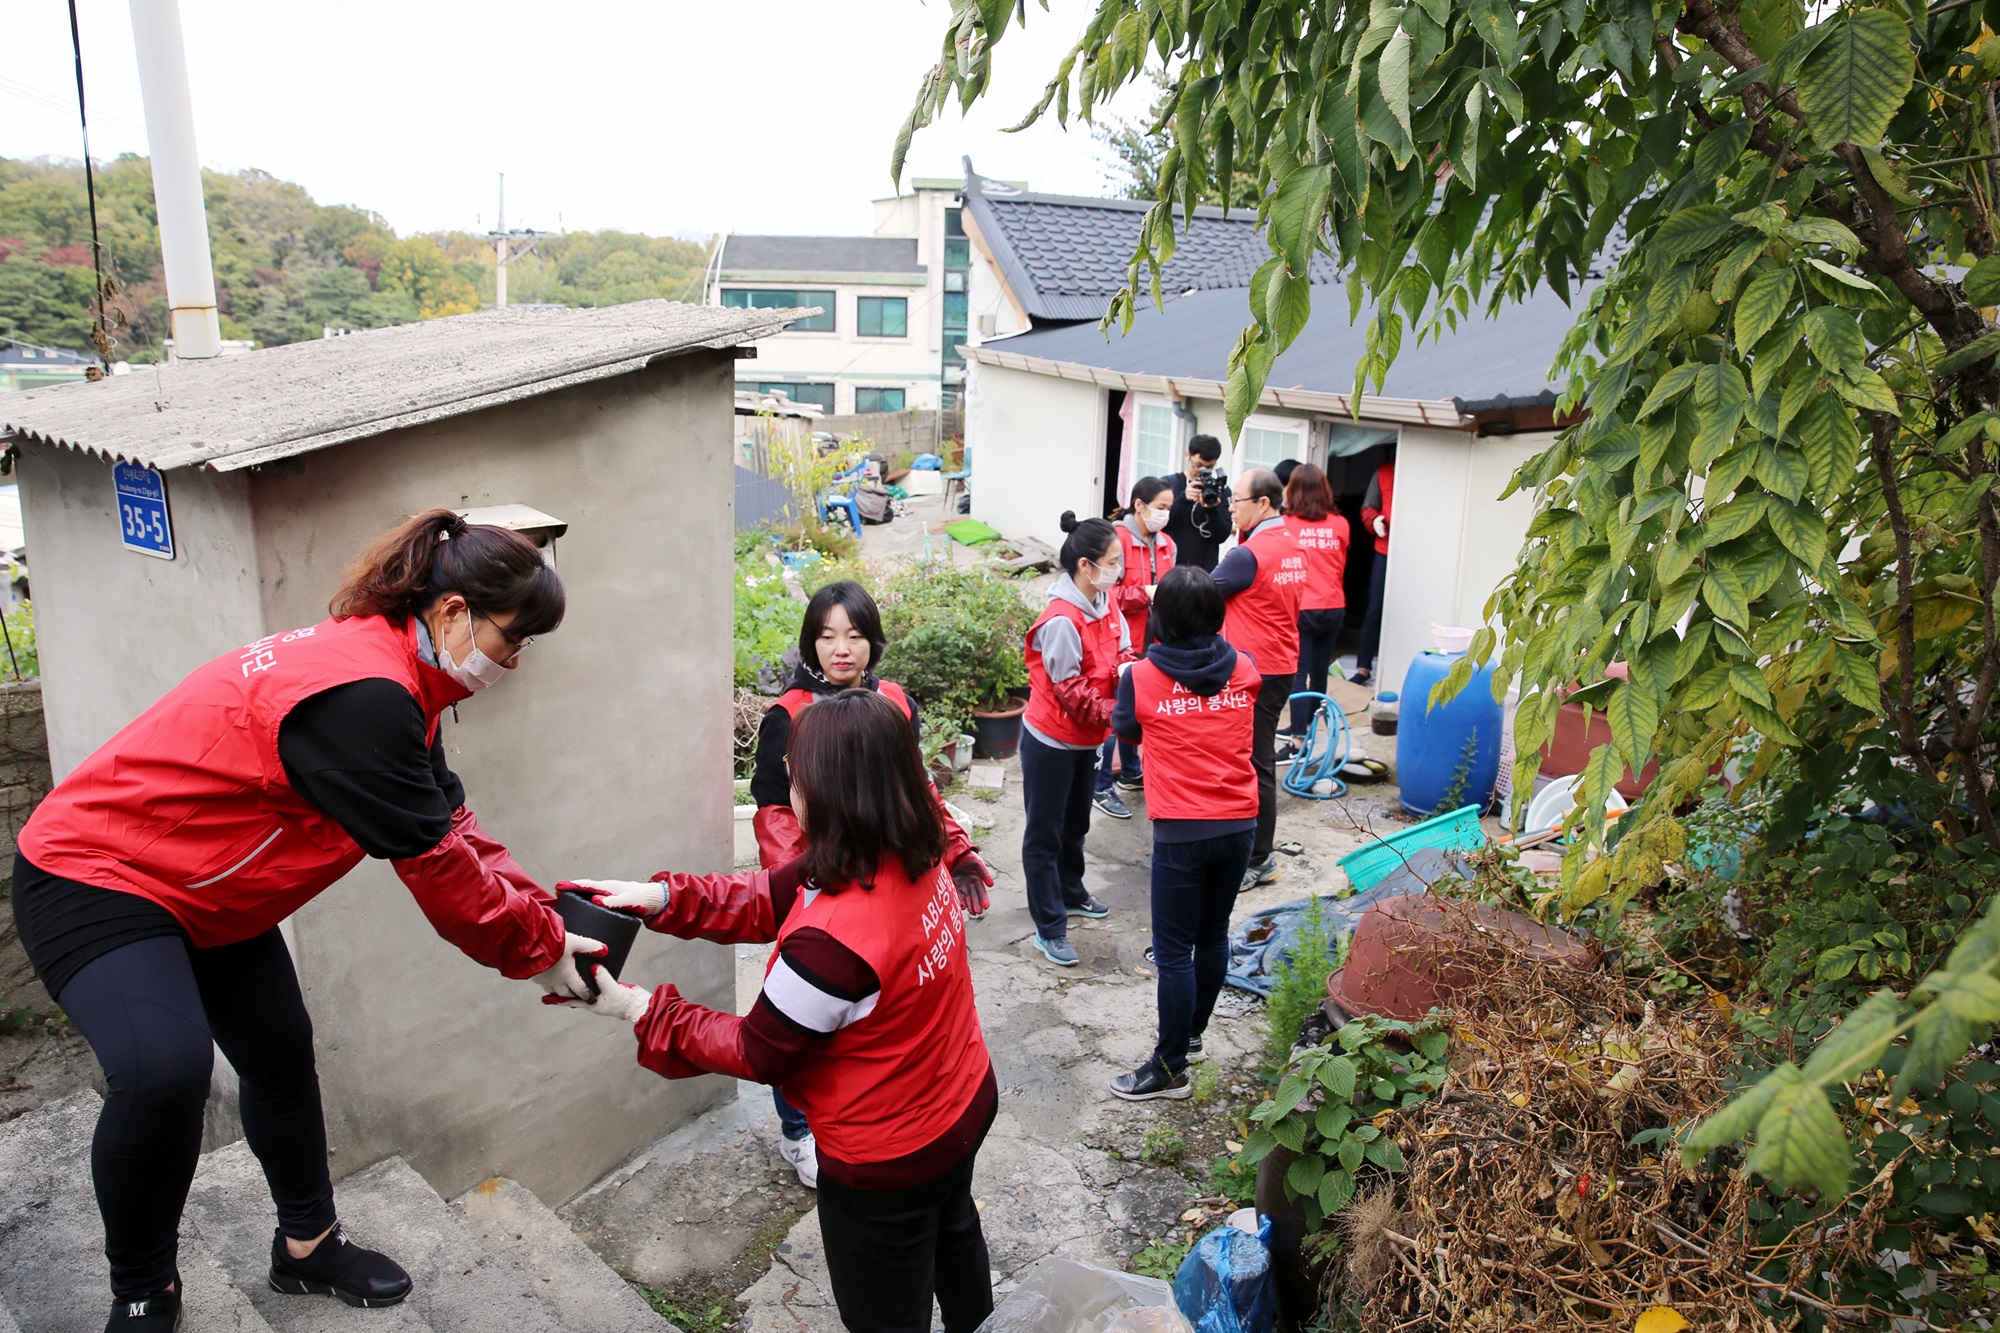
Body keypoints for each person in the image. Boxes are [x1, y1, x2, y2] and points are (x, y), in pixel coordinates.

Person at [11, 511, 596, 1331]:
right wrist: (539, 951)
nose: (517, 659)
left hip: (208, 892)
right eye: (516, 636)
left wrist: (544, 920)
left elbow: (457, 830)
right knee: (165, 1069)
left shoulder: (404, 686)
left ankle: (307, 1247)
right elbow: (438, 875)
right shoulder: (362, 696)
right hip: (97, 874)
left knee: (280, 1049)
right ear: (454, 611)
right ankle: (145, 1289)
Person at [560, 690, 996, 1333]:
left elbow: (758, 1050)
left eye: (796, 777)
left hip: (887, 1155)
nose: (791, 790)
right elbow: (768, 895)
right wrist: (658, 898)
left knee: (887, 1311)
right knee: (954, 1232)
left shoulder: (832, 946)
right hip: (963, 1101)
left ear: (829, 791)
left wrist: (636, 1007)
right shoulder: (911, 849)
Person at [748, 579, 992, 1186]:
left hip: (887, 890)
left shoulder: (893, 703)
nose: (842, 649)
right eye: (827, 636)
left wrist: (955, 853)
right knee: (797, 1010)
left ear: (872, 642)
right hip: (824, 887)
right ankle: (797, 1131)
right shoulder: (790, 716)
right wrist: (804, 885)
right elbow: (775, 810)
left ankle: (870, 1109)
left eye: (854, 635)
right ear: (810, 643)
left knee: (875, 1014)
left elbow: (919, 790)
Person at [1106, 568, 1259, 1099]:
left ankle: (1169, 1068)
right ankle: (1190, 1035)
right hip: (1240, 823)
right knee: (1213, 934)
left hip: (1182, 831)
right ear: (1218, 614)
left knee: (1173, 953)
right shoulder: (1244, 667)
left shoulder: (1142, 677)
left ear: (1161, 617)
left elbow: (1125, 728)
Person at [1019, 513, 1131, 966]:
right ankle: (1049, 927)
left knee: (1076, 826)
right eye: (1113, 561)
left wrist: (1130, 670)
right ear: (1086, 566)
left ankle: (1071, 890)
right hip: (1051, 741)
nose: (1119, 568)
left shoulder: (1106, 601)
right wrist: (1122, 715)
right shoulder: (1061, 621)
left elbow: (1121, 649)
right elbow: (1071, 694)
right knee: (1043, 836)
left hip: (1088, 741)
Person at [1212, 469, 1306, 890]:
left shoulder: (1247, 555)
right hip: (1282, 662)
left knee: (1254, 762)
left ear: (1263, 502)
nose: (1232, 507)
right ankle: (1255, 852)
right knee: (1257, 758)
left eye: (1238, 500)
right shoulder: (1290, 544)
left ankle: (1257, 859)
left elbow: (1198, 596)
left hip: (1256, 669)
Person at [1092, 478, 1176, 821]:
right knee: (1116, 712)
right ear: (1139, 505)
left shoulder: (1168, 543)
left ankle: (1130, 772)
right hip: (1122, 638)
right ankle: (1100, 785)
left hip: (1155, 641)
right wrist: (1148, 593)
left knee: (1139, 708)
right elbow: (1110, 594)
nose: (1165, 514)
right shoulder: (1117, 540)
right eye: (1160, 507)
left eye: (1169, 508)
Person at [1280, 464, 1351, 745]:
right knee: (1320, 672)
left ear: (1293, 490)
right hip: (1334, 605)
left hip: (1301, 608)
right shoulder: (1340, 524)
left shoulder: (1285, 525)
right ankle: (1308, 728)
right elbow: (1340, 565)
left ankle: (1297, 736)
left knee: (1299, 673)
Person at [1352, 458, 1395, 686]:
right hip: (1384, 551)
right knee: (1374, 610)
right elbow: (1368, 507)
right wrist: (1374, 520)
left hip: (1416, 555)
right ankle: (1363, 667)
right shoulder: (1383, 472)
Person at [1162, 435, 1233, 571]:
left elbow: (1222, 535)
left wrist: (1212, 510)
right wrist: (1182, 499)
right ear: (1187, 455)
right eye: (1198, 466)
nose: (1202, 472)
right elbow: (1160, 524)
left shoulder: (1221, 491)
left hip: (1204, 570)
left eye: (1209, 467)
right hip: (1170, 566)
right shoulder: (1168, 485)